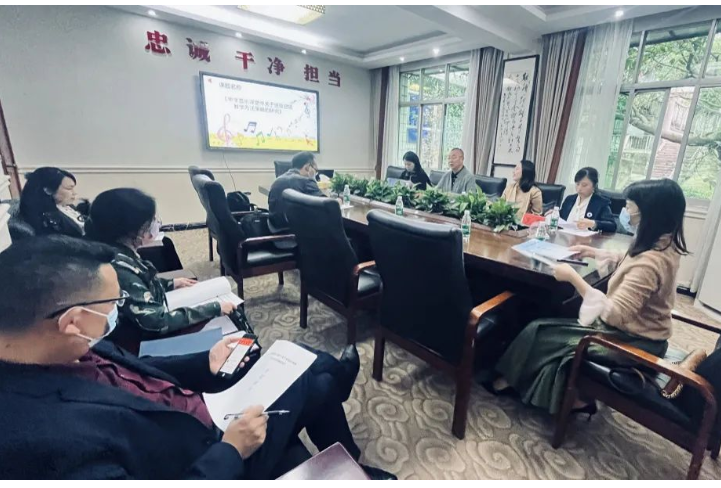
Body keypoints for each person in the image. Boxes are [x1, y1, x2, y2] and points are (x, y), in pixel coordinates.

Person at [0, 236, 393, 479]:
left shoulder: (61, 344)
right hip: (213, 453)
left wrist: (203, 362)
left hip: (206, 405)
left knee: (312, 378)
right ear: (72, 321)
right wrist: (231, 450)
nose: (120, 309)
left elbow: (134, 372)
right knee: (317, 376)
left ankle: (351, 458)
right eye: (113, 303)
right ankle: (343, 407)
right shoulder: (42, 439)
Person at [490, 179, 688, 416]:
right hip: (643, 333)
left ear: (649, 213)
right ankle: (562, 393)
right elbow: (630, 260)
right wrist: (594, 252)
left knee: (540, 330)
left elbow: (614, 314)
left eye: (630, 205)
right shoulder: (663, 245)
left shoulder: (650, 263)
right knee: (549, 322)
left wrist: (573, 277)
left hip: (634, 340)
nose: (626, 211)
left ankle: (512, 382)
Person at [85, 188, 235, 342]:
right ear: (132, 230)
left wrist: (169, 283)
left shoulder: (119, 252)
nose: (156, 224)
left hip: (152, 314)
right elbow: (156, 322)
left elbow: (140, 286)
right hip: (144, 340)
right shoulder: (119, 268)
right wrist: (213, 308)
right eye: (150, 222)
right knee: (232, 319)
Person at [18, 167, 86, 237]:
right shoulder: (49, 219)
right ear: (48, 190)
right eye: (69, 188)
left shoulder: (65, 206)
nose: (74, 193)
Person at [268, 151, 324, 233]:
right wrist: (338, 201)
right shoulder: (306, 181)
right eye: (315, 170)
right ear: (308, 167)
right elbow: (326, 205)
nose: (316, 173)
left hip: (275, 230)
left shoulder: (277, 180)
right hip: (296, 234)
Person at [555, 167, 616, 232]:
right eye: (577, 184)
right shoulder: (569, 199)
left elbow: (612, 226)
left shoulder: (601, 203)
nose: (579, 188)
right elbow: (561, 218)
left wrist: (594, 224)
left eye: (584, 185)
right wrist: (554, 213)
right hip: (565, 236)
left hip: (586, 238)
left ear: (594, 185)